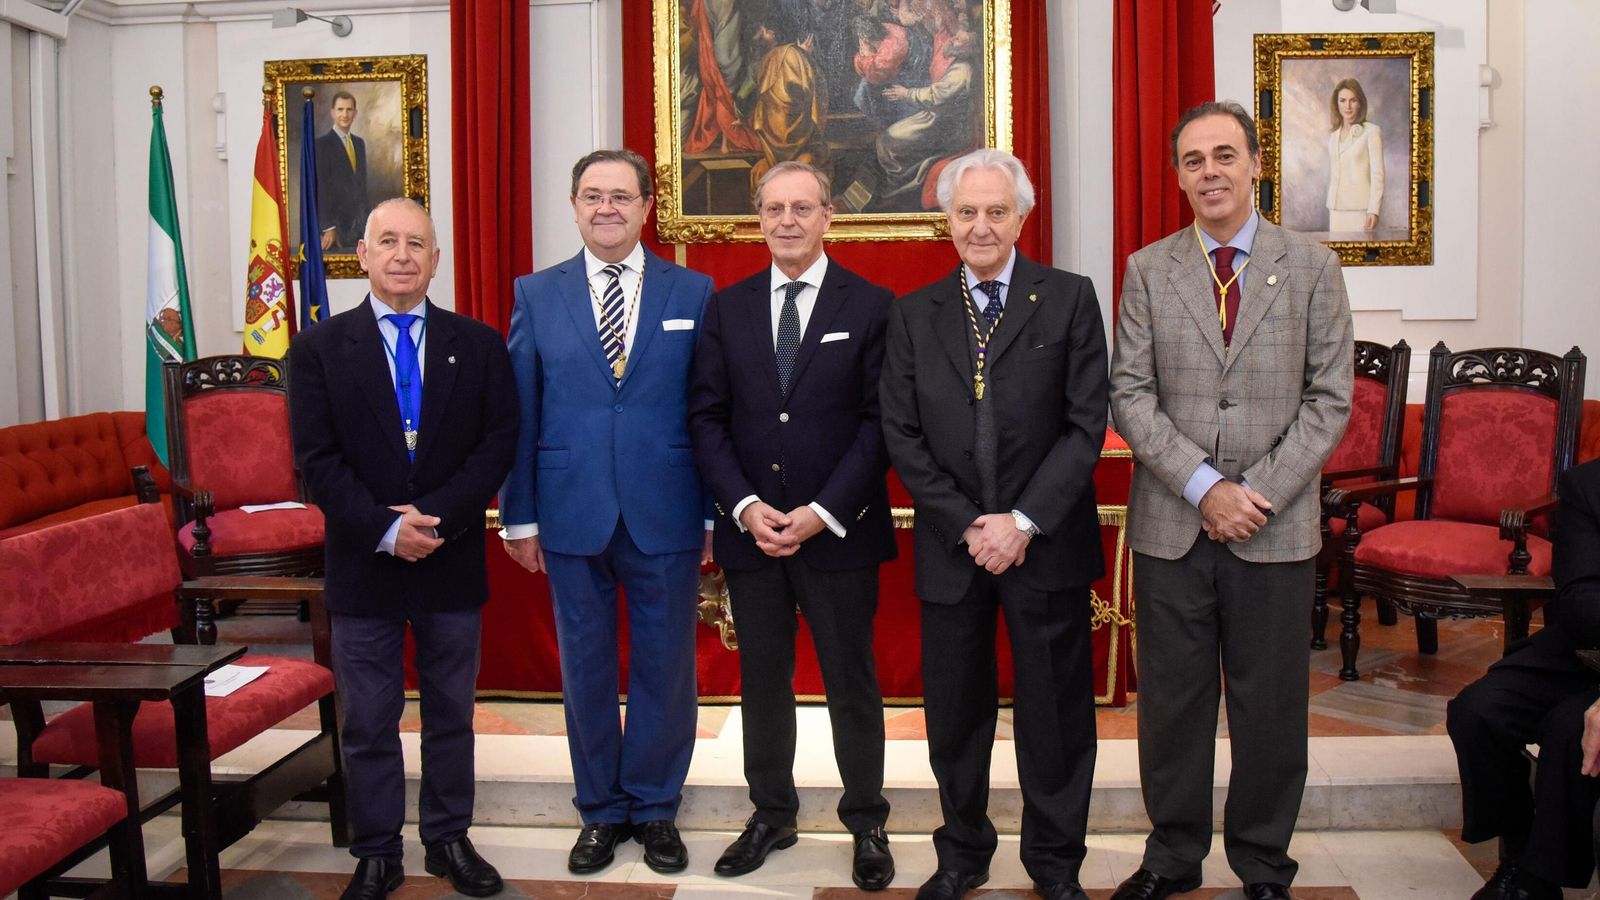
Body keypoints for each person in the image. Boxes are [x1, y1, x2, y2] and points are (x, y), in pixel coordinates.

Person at [1108, 101, 1353, 900]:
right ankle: (1172, 857)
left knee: (1271, 707)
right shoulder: (1148, 268)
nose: (1209, 171)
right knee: (1172, 708)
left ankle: (1262, 862)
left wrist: (1256, 494)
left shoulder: (1314, 266)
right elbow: (1131, 395)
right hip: (1172, 526)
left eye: (1224, 156)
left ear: (1255, 164)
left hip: (1275, 531)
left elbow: (1330, 401)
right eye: (1192, 160)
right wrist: (1206, 487)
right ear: (1177, 175)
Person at [880, 148, 1108, 900]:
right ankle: (962, 854)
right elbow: (902, 435)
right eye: (966, 212)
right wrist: (971, 523)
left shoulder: (1070, 298)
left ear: (1022, 216)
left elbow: (1084, 426)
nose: (981, 226)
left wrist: (1022, 521)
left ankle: (1055, 865)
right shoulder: (913, 314)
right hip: (955, 550)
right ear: (946, 219)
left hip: (1044, 547)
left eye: (996, 211)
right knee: (954, 716)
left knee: (1056, 718)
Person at [287, 198, 517, 900]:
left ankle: (448, 838)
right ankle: (378, 851)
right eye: (388, 241)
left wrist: (436, 517)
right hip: (364, 565)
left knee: (452, 714)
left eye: (417, 243)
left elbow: (498, 443)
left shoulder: (476, 345)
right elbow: (315, 461)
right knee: (369, 719)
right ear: (362, 255)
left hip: (449, 560)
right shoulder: (319, 349)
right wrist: (385, 528)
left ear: (435, 259)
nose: (402, 255)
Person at [500, 149, 715, 876]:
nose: (607, 209)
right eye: (592, 195)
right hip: (569, 510)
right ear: (574, 204)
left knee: (665, 666)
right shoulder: (537, 292)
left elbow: (710, 410)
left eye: (621, 196)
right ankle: (599, 811)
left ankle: (654, 807)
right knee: (585, 667)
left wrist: (715, 512)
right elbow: (521, 411)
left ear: (647, 206)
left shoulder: (695, 291)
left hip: (669, 508)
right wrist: (518, 515)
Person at [688, 161, 897, 890]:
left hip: (839, 532)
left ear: (828, 216)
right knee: (762, 684)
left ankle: (867, 819)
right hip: (753, 535)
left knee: (851, 682)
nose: (786, 221)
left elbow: (881, 425)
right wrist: (745, 507)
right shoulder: (729, 305)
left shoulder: (871, 305)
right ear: (759, 217)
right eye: (773, 208)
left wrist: (820, 513)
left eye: (801, 208)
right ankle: (771, 812)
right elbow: (707, 418)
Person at [1447, 457, 1600, 900]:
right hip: (1582, 648)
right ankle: (1516, 850)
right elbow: (1580, 597)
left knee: (1569, 729)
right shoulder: (1588, 484)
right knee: (1478, 712)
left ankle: (1539, 879)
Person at [1324, 78, 1383, 234]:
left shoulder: (1371, 131)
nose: (1347, 106)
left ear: (1360, 103)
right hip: (1335, 208)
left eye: (1353, 100)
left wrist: (1374, 210)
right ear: (1336, 103)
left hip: (1360, 209)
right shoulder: (1333, 136)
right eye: (1342, 100)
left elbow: (1378, 174)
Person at [315, 91, 371, 252]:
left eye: (349, 109)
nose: (345, 114)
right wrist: (328, 226)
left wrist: (366, 224)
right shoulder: (321, 145)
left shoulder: (359, 143)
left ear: (355, 113)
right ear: (333, 112)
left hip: (358, 227)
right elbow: (321, 189)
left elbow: (361, 187)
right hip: (335, 228)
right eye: (340, 109)